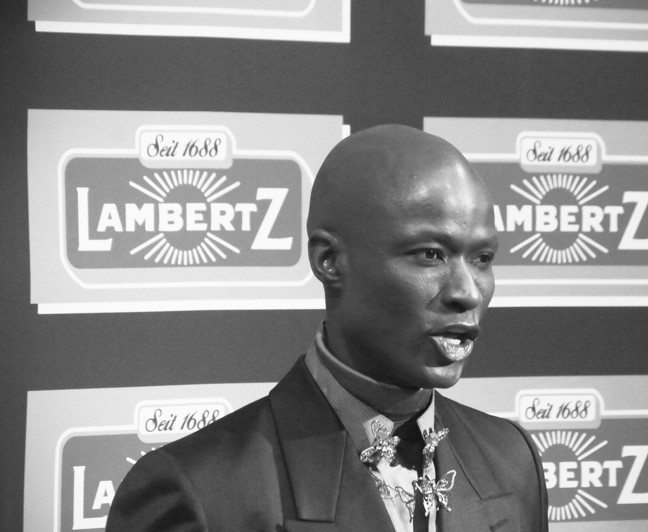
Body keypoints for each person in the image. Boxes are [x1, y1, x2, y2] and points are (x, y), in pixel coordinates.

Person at [106, 124, 549, 531]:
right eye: (431, 254)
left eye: (483, 259)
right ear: (329, 261)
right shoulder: (202, 491)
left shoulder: (512, 459)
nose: (468, 292)